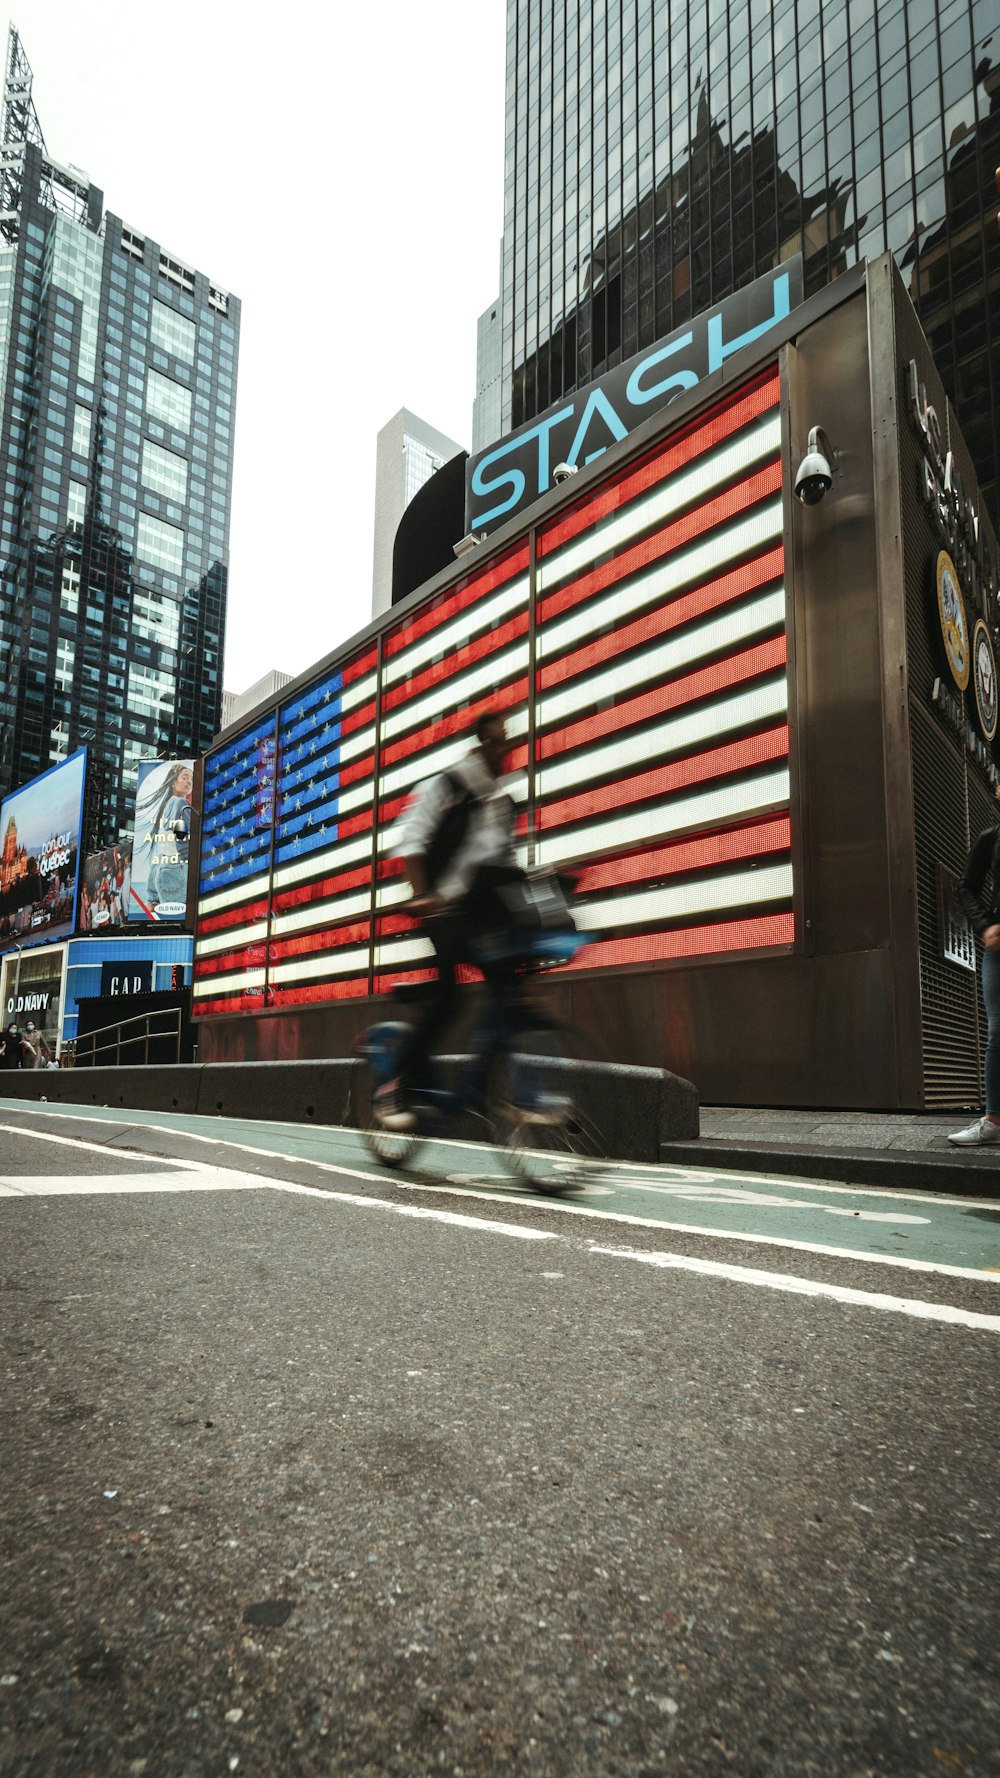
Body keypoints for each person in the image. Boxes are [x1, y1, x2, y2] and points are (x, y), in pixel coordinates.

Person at [377, 711, 520, 1129]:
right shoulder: (448, 785)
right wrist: (423, 896)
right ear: (478, 746)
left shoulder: (502, 803)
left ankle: (483, 1092)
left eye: (506, 742)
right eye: (495, 742)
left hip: (478, 915)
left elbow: (502, 864)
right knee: (451, 995)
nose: (503, 750)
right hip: (440, 911)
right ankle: (397, 1087)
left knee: (509, 991)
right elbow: (414, 840)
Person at [949, 823, 1000, 1146]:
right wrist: (985, 926)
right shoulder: (992, 837)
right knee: (998, 1031)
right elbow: (966, 886)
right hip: (999, 948)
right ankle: (993, 1121)